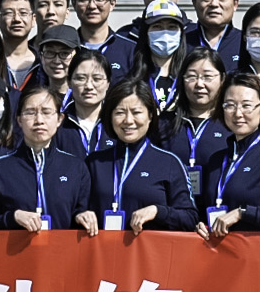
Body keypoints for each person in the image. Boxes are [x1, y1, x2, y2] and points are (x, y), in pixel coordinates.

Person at [81, 80, 194, 234]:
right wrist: (80, 215)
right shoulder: (94, 163)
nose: (128, 120)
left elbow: (190, 219)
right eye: (120, 112)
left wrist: (158, 212)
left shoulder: (169, 163)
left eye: (136, 112)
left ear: (150, 115)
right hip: (102, 248)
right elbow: (76, 209)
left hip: (149, 249)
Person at [0, 83, 93, 233]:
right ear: (19, 120)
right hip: (16, 248)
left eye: (46, 112)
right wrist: (13, 217)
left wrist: (82, 217)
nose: (39, 120)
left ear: (59, 119)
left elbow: (80, 212)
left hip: (61, 248)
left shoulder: (75, 168)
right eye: (30, 112)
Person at [196, 79, 260, 239]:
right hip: (218, 250)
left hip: (257, 250)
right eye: (230, 105)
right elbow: (204, 207)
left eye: (246, 106)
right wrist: (200, 224)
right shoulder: (217, 159)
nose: (238, 113)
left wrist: (242, 213)